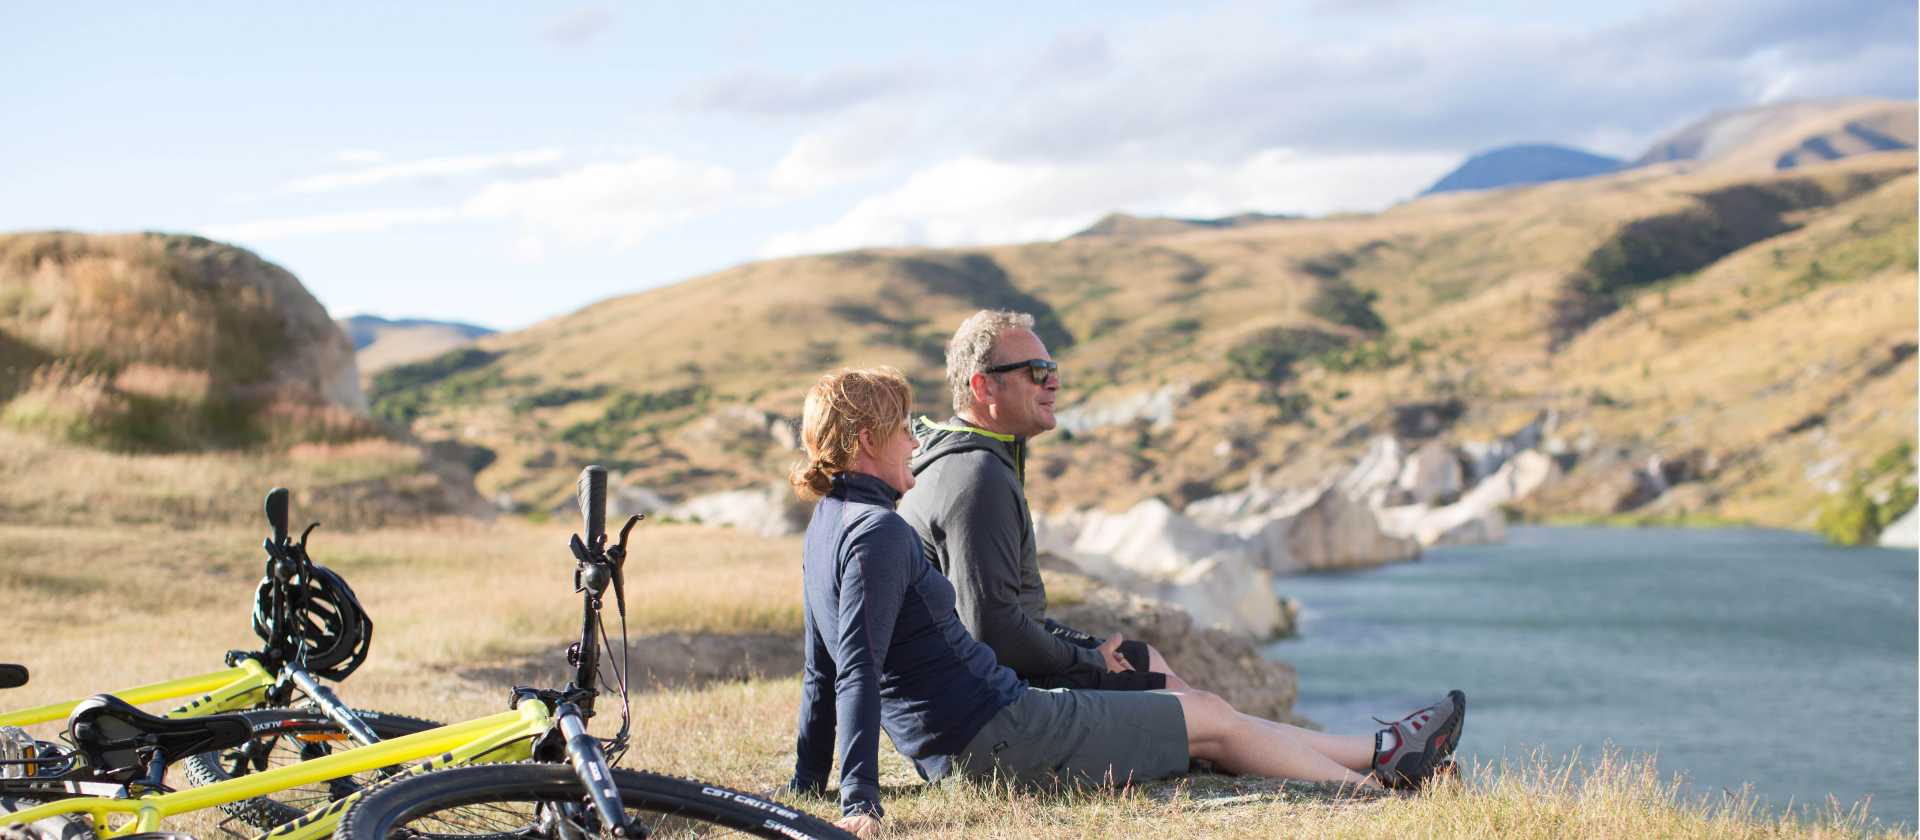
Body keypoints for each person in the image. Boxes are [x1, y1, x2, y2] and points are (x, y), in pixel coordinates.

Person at [786, 366, 1464, 839]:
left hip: (990, 726)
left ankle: (1383, 755)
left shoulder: (830, 528)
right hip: (997, 738)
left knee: (1207, 716)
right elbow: (854, 672)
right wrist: (859, 803)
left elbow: (823, 672)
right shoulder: (876, 533)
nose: (914, 440)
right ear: (868, 441)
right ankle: (1382, 794)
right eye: (903, 429)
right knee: (1210, 719)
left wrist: (807, 784)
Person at [898, 309, 1184, 692]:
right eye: (1036, 371)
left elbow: (1011, 618)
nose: (1053, 383)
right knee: (1201, 715)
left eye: (1053, 369)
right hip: (986, 695)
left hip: (988, 672)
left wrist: (1093, 651)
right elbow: (993, 631)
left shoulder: (975, 457)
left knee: (1146, 660)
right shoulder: (976, 476)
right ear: (983, 388)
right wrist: (1088, 660)